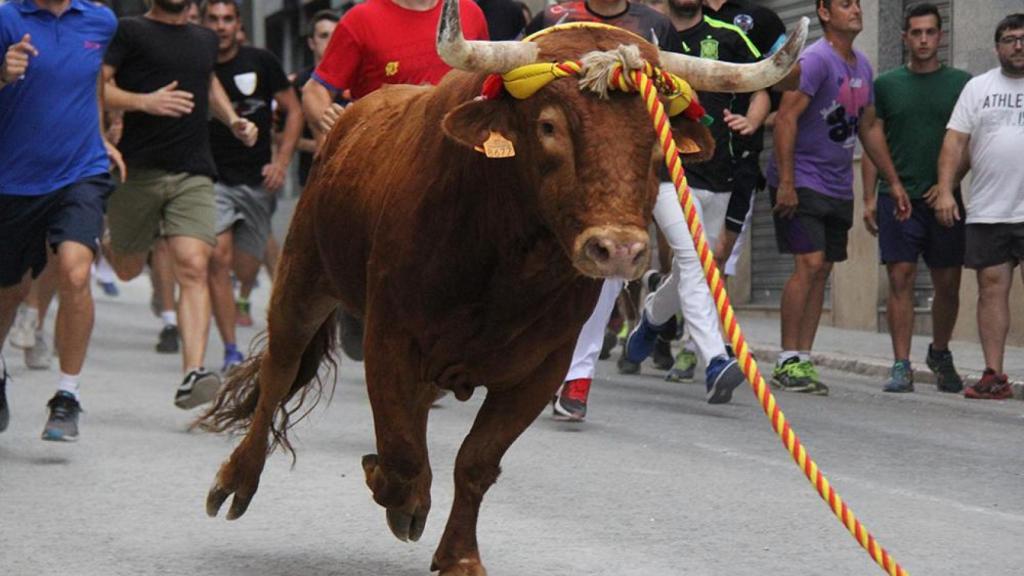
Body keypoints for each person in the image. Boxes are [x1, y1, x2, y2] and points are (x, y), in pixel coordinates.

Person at [101, 0, 257, 410]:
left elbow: (208, 85)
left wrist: (233, 120)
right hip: (138, 170)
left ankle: (192, 373)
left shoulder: (203, 38)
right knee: (127, 266)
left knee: (194, 264)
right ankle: (108, 240)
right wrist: (143, 102)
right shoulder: (129, 31)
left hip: (193, 170)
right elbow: (98, 86)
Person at [619, 0, 762, 404]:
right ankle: (715, 359)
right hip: (668, 173)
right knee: (697, 259)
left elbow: (763, 86)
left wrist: (753, 118)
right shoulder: (646, 32)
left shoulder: (729, 36)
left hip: (721, 172)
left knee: (697, 265)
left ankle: (653, 316)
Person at [766, 0, 911, 395]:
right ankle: (786, 358)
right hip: (802, 179)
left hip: (836, 184)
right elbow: (785, 118)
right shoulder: (814, 61)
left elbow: (868, 128)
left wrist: (893, 182)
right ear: (824, 13)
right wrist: (787, 183)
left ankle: (803, 358)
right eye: (845, 4)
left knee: (824, 269)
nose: (856, 10)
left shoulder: (862, 66)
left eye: (858, 3)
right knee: (809, 264)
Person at [1, 0, 121, 440]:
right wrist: (2, 75)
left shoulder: (100, 20)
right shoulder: (5, 17)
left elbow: (92, 82)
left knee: (75, 271)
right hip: (11, 179)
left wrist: (103, 133)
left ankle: (66, 395)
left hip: (79, 171)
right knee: (9, 293)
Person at [861, 2, 970, 394]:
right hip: (899, 197)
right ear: (904, 37)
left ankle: (939, 351)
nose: (923, 40)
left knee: (949, 283)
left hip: (945, 200)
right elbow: (873, 138)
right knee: (900, 277)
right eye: (916, 33)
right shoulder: (886, 85)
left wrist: (948, 185)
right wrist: (871, 198)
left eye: (930, 32)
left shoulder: (962, 84)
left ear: (940, 36)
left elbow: (968, 143)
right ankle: (901, 364)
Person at [202, 0, 304, 372]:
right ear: (202, 22)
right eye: (213, 19)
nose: (220, 26)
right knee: (218, 258)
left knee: (245, 270)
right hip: (211, 178)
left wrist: (281, 163)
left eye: (227, 19)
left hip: (258, 181)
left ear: (238, 24)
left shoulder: (261, 61)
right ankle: (231, 349)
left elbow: (294, 110)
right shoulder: (197, 62)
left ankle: (240, 297)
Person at [932, 13, 1024, 400]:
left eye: (1023, 38)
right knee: (990, 290)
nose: (1017, 45)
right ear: (996, 47)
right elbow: (954, 142)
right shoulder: (978, 87)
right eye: (1009, 39)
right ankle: (994, 375)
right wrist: (946, 189)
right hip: (989, 208)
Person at [302, 0, 489, 141]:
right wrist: (334, 122)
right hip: (387, 163)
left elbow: (487, 82)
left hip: (461, 155)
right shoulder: (360, 20)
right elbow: (314, 90)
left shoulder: (469, 12)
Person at [294, 9, 341, 188]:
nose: (330, 41)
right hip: (312, 176)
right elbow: (282, 134)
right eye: (324, 35)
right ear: (311, 42)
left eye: (336, 35)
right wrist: (321, 145)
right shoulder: (300, 82)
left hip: (353, 173)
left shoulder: (355, 77)